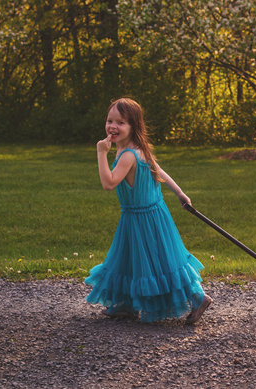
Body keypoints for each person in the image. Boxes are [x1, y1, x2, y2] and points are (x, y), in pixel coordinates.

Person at [85, 98, 212, 324]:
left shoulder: (127, 156)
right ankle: (126, 305)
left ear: (133, 126)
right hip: (149, 213)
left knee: (160, 262)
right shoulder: (138, 149)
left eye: (120, 122)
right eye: (109, 120)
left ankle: (198, 298)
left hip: (142, 217)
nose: (113, 126)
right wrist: (180, 193)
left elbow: (109, 183)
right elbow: (159, 169)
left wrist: (100, 153)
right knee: (129, 258)